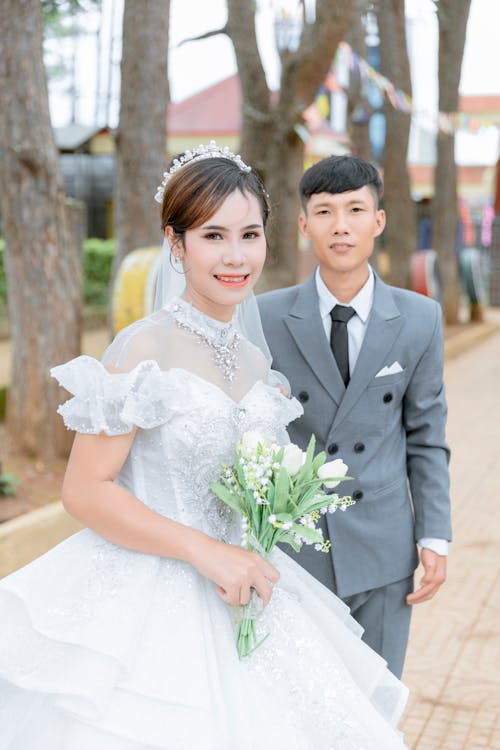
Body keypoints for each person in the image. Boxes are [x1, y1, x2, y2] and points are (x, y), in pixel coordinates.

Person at [0, 144, 409, 749]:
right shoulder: (143, 351)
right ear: (176, 241)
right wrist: (204, 551)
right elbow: (83, 491)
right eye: (214, 236)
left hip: (248, 591)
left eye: (250, 234)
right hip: (150, 599)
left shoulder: (255, 363)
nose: (236, 256)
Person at [258, 155, 452, 680]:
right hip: (297, 549)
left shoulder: (419, 317)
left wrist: (434, 535)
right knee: (303, 701)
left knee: (377, 702)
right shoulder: (265, 316)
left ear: (378, 221)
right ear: (304, 226)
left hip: (384, 546)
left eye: (355, 209)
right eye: (324, 212)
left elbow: (426, 435)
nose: (340, 225)